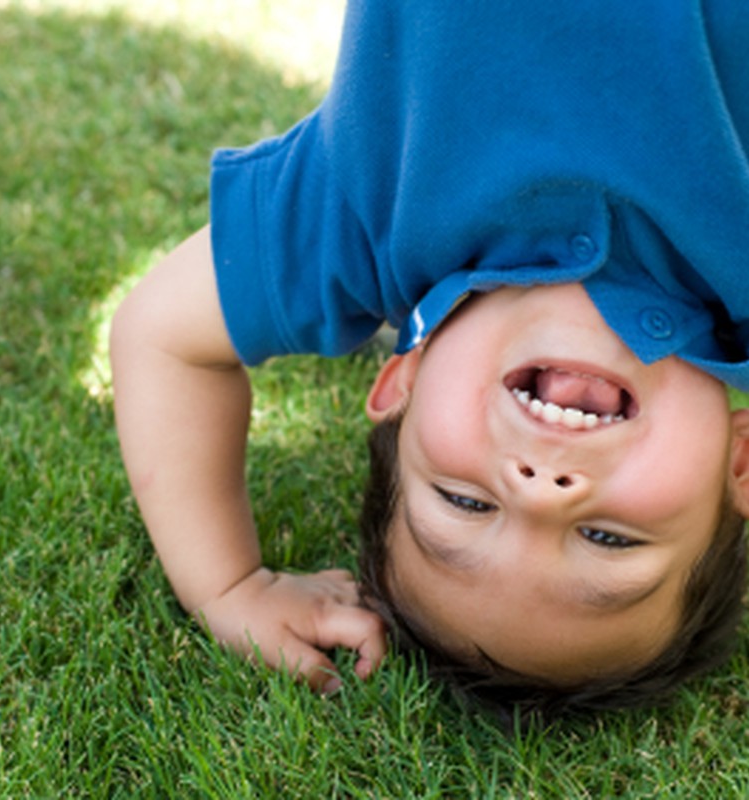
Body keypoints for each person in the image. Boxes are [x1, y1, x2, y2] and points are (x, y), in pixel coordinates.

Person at [111, 0, 749, 713]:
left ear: (402, 387)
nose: (538, 488)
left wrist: (227, 585)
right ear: (740, 463)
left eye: (466, 501)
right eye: (607, 539)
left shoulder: (370, 215)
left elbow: (163, 336)